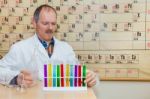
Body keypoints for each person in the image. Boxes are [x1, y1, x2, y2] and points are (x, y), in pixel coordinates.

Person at [0, 4, 99, 93]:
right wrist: (16, 79)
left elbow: (79, 75)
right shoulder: (19, 48)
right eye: (45, 23)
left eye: (53, 24)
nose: (50, 28)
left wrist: (89, 78)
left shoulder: (66, 48)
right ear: (34, 23)